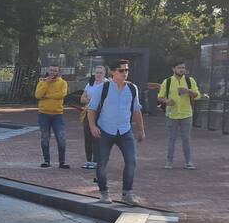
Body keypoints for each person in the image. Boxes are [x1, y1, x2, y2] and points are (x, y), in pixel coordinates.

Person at [87, 59, 145, 205]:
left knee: (131, 161)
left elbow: (137, 110)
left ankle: (127, 193)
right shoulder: (103, 88)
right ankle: (104, 193)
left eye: (127, 70)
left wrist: (141, 130)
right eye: (121, 70)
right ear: (113, 72)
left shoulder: (132, 88)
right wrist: (93, 126)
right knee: (102, 163)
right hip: (105, 130)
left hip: (125, 131)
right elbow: (91, 109)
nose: (125, 73)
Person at [156, 61, 201, 170]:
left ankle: (189, 162)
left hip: (186, 114)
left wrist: (188, 91)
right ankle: (169, 161)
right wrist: (167, 102)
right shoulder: (167, 82)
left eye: (183, 68)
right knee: (172, 138)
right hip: (172, 114)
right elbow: (160, 97)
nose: (182, 69)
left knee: (186, 138)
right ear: (174, 69)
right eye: (179, 67)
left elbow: (197, 95)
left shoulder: (190, 81)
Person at [35, 65, 69, 168]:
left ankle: (62, 162)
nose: (53, 72)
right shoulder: (42, 82)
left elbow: (61, 95)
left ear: (58, 72)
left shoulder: (63, 83)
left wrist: (47, 96)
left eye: (55, 71)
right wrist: (46, 83)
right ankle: (46, 161)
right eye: (51, 70)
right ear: (47, 71)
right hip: (43, 114)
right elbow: (38, 95)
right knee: (45, 138)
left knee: (61, 138)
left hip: (58, 114)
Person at [79, 65, 109, 169]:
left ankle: (97, 161)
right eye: (97, 72)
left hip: (101, 115)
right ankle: (89, 161)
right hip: (88, 113)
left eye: (100, 72)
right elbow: (82, 99)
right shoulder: (90, 84)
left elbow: (106, 101)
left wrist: (92, 100)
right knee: (88, 137)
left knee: (98, 138)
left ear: (104, 74)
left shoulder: (107, 85)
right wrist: (94, 100)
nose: (98, 75)